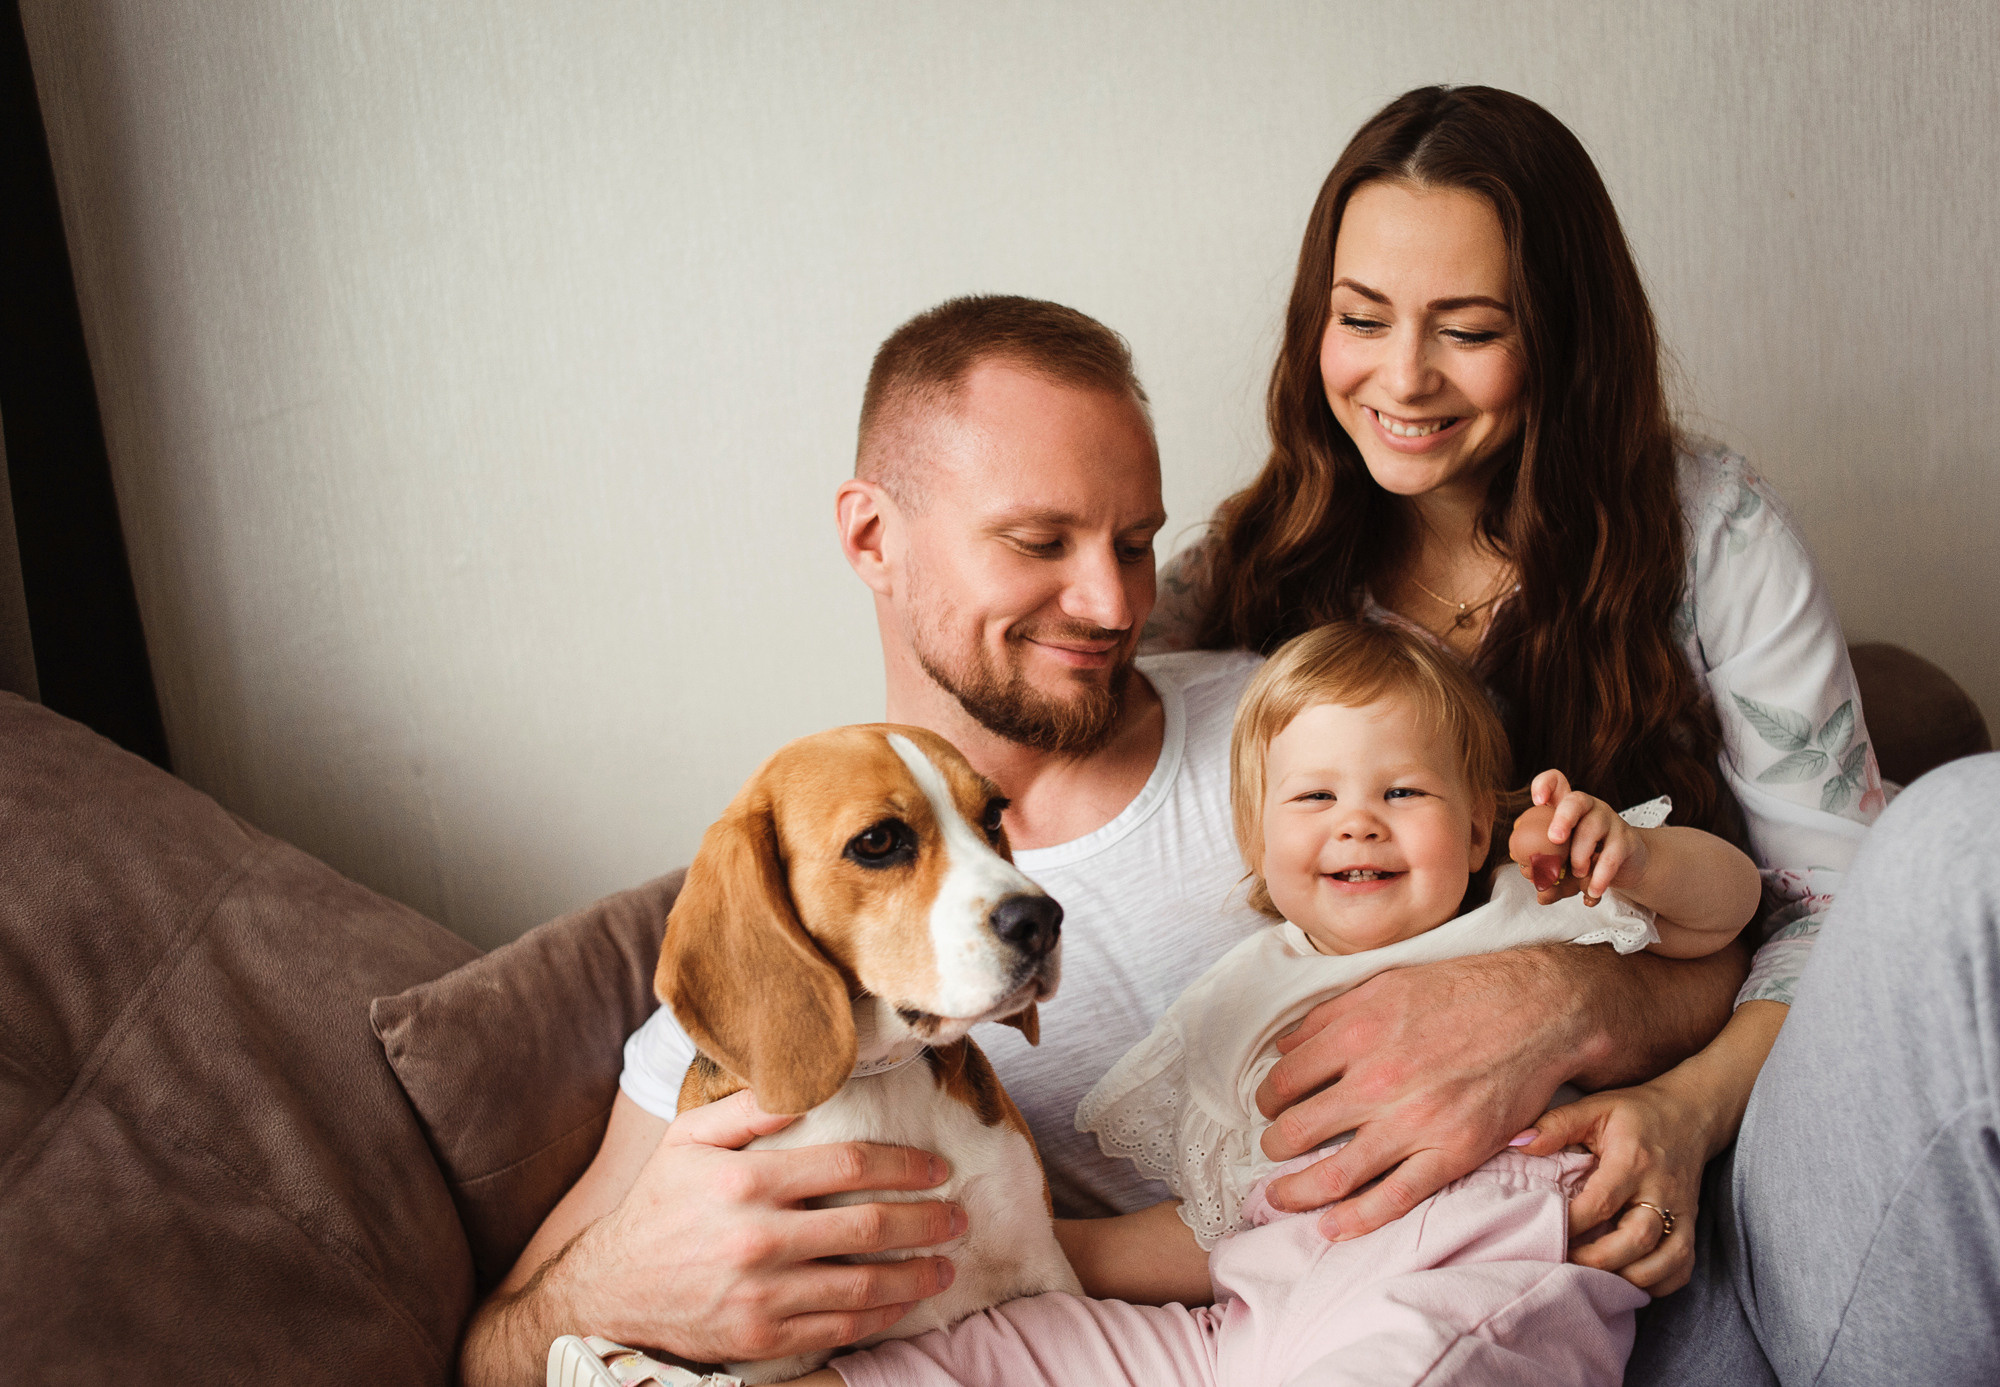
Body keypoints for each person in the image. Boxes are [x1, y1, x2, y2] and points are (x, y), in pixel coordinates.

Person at [458, 295, 1745, 1387]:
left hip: (1483, 1284)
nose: (1112, 600)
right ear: (870, 536)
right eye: (1040, 542)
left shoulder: (1303, 738)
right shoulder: (793, 924)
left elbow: (1712, 934)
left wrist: (1584, 1024)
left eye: (1134, 543)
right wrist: (619, 1287)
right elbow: (494, 1348)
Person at [1143, 85, 1883, 1309]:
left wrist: (1679, 1109)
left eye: (1468, 329)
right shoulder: (1250, 566)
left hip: (1712, 1131)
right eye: (1360, 318)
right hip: (1403, 1234)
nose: (1401, 377)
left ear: (1561, 335)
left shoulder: (1710, 532)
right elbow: (1064, 708)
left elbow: (1836, 902)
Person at [786, 619, 1762, 1387]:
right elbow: (1213, 1222)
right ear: (1255, 843)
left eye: (1403, 792)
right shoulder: (1239, 1001)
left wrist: (1639, 860)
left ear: (1478, 827)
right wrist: (999, 1251)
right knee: (1006, 1347)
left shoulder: (1522, 903)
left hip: (1475, 1269)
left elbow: (1730, 914)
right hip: (1258, 1316)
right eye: (1313, 799)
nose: (1358, 822)